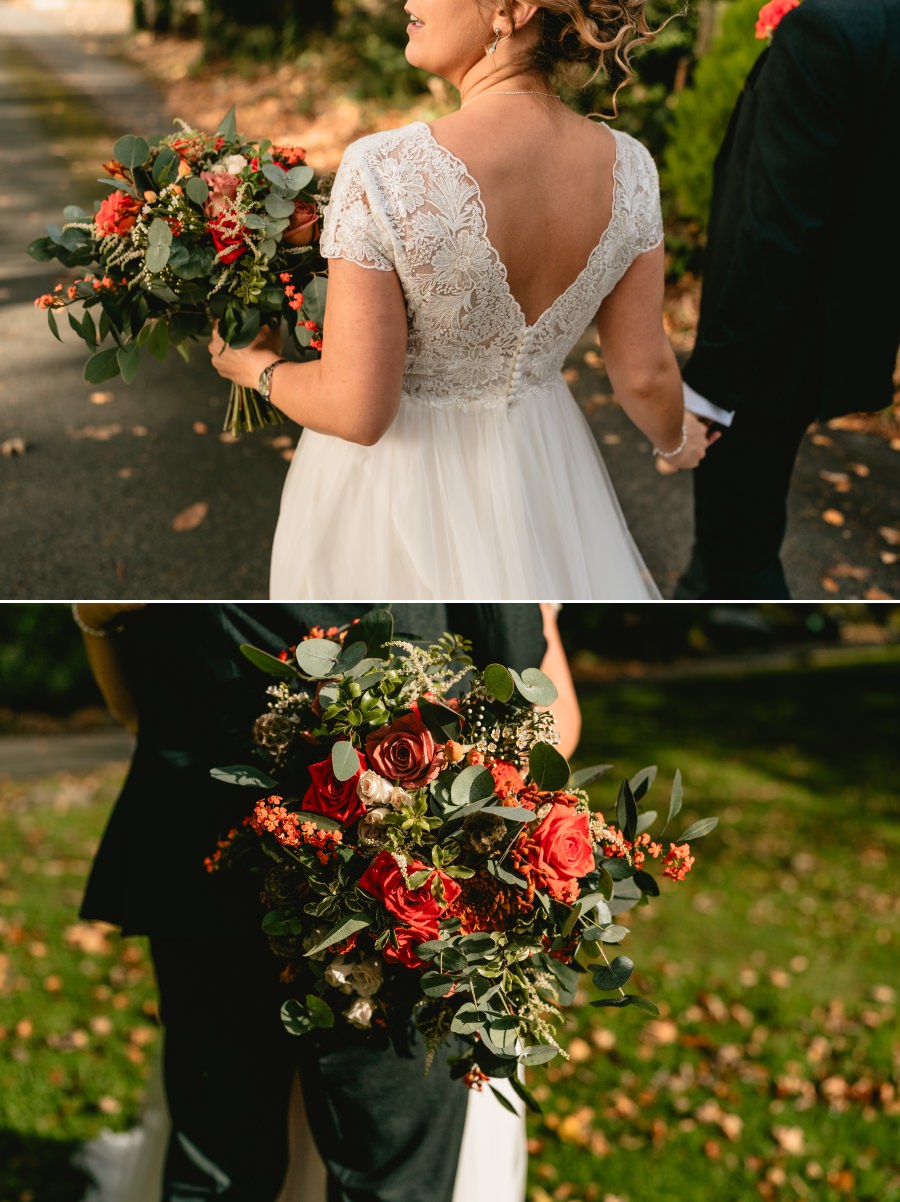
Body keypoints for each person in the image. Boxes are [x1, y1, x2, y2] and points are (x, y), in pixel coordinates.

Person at [74, 601, 580, 1202]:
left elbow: (136, 710)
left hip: (376, 886)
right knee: (372, 1173)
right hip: (290, 876)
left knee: (228, 1161)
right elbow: (542, 698)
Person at [208, 0, 712, 601]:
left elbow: (357, 411)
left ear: (513, 9)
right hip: (544, 472)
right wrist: (678, 442)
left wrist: (254, 369)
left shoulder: (382, 170)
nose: (407, 2)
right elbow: (644, 373)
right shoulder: (631, 168)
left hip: (392, 497)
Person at [677, 0, 900, 599]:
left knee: (737, 554)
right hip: (842, 326)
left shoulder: (826, 28)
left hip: (770, 342)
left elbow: (776, 228)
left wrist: (712, 386)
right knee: (724, 552)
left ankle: (734, 618)